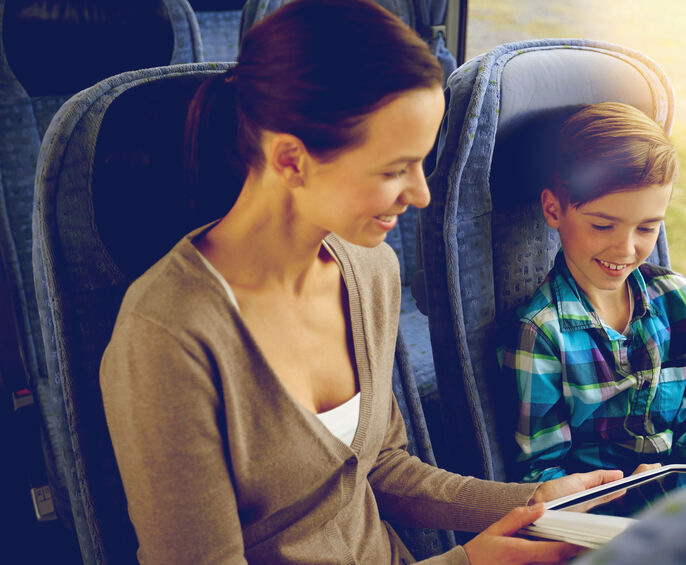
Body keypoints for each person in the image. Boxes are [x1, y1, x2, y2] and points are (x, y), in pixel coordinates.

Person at [99, 1, 623, 563]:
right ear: (292, 161)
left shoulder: (370, 271)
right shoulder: (165, 338)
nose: (421, 194)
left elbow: (381, 465)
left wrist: (535, 502)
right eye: (394, 169)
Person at [498, 102, 686, 483]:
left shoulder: (678, 301)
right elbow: (541, 473)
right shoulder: (540, 334)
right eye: (604, 225)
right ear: (554, 210)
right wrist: (630, 491)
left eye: (646, 228)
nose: (626, 249)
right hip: (605, 517)